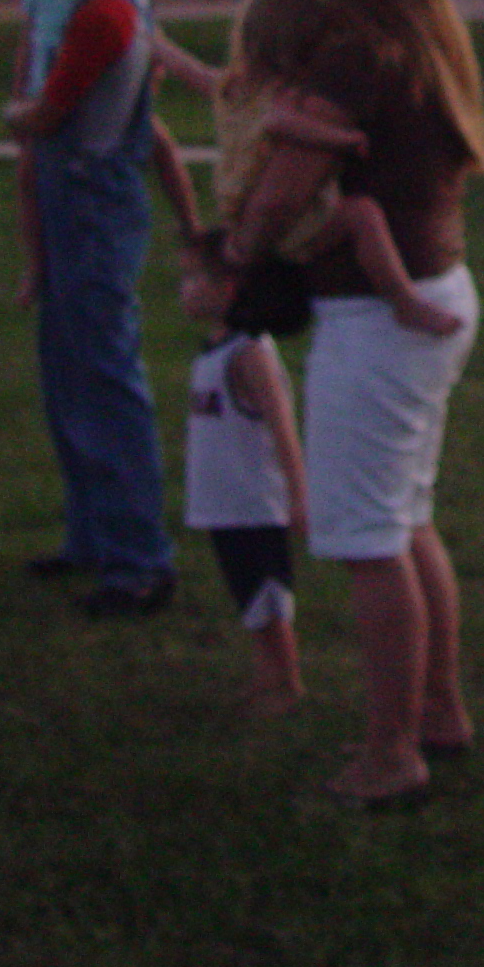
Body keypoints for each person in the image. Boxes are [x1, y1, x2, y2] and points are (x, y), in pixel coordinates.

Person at [225, 0, 484, 808]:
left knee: (368, 537)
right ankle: (438, 712)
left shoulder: (352, 57)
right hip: (436, 292)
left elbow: (280, 193)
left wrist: (238, 256)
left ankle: (389, 752)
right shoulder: (434, 47)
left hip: (377, 321)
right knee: (406, 517)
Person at [2, 0, 194, 617]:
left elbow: (44, 112)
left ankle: (141, 560)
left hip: (89, 198)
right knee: (70, 373)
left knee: (106, 378)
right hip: (70, 195)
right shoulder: (89, 2)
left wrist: (11, 118)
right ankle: (95, 537)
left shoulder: (105, 15)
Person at [156, 0, 466, 338]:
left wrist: (157, 47)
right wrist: (345, 140)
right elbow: (277, 123)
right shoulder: (286, 96)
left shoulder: (233, 90)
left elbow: (192, 72)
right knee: (363, 215)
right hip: (295, 222)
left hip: (239, 204)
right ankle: (405, 303)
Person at [177, 233, 312, 717]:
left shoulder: (248, 354)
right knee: (245, 591)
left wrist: (298, 494)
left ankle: (287, 679)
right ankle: (266, 673)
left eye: (193, 278)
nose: (183, 289)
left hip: (253, 503)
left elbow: (281, 424)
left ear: (230, 290)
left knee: (266, 592)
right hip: (224, 502)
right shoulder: (214, 351)